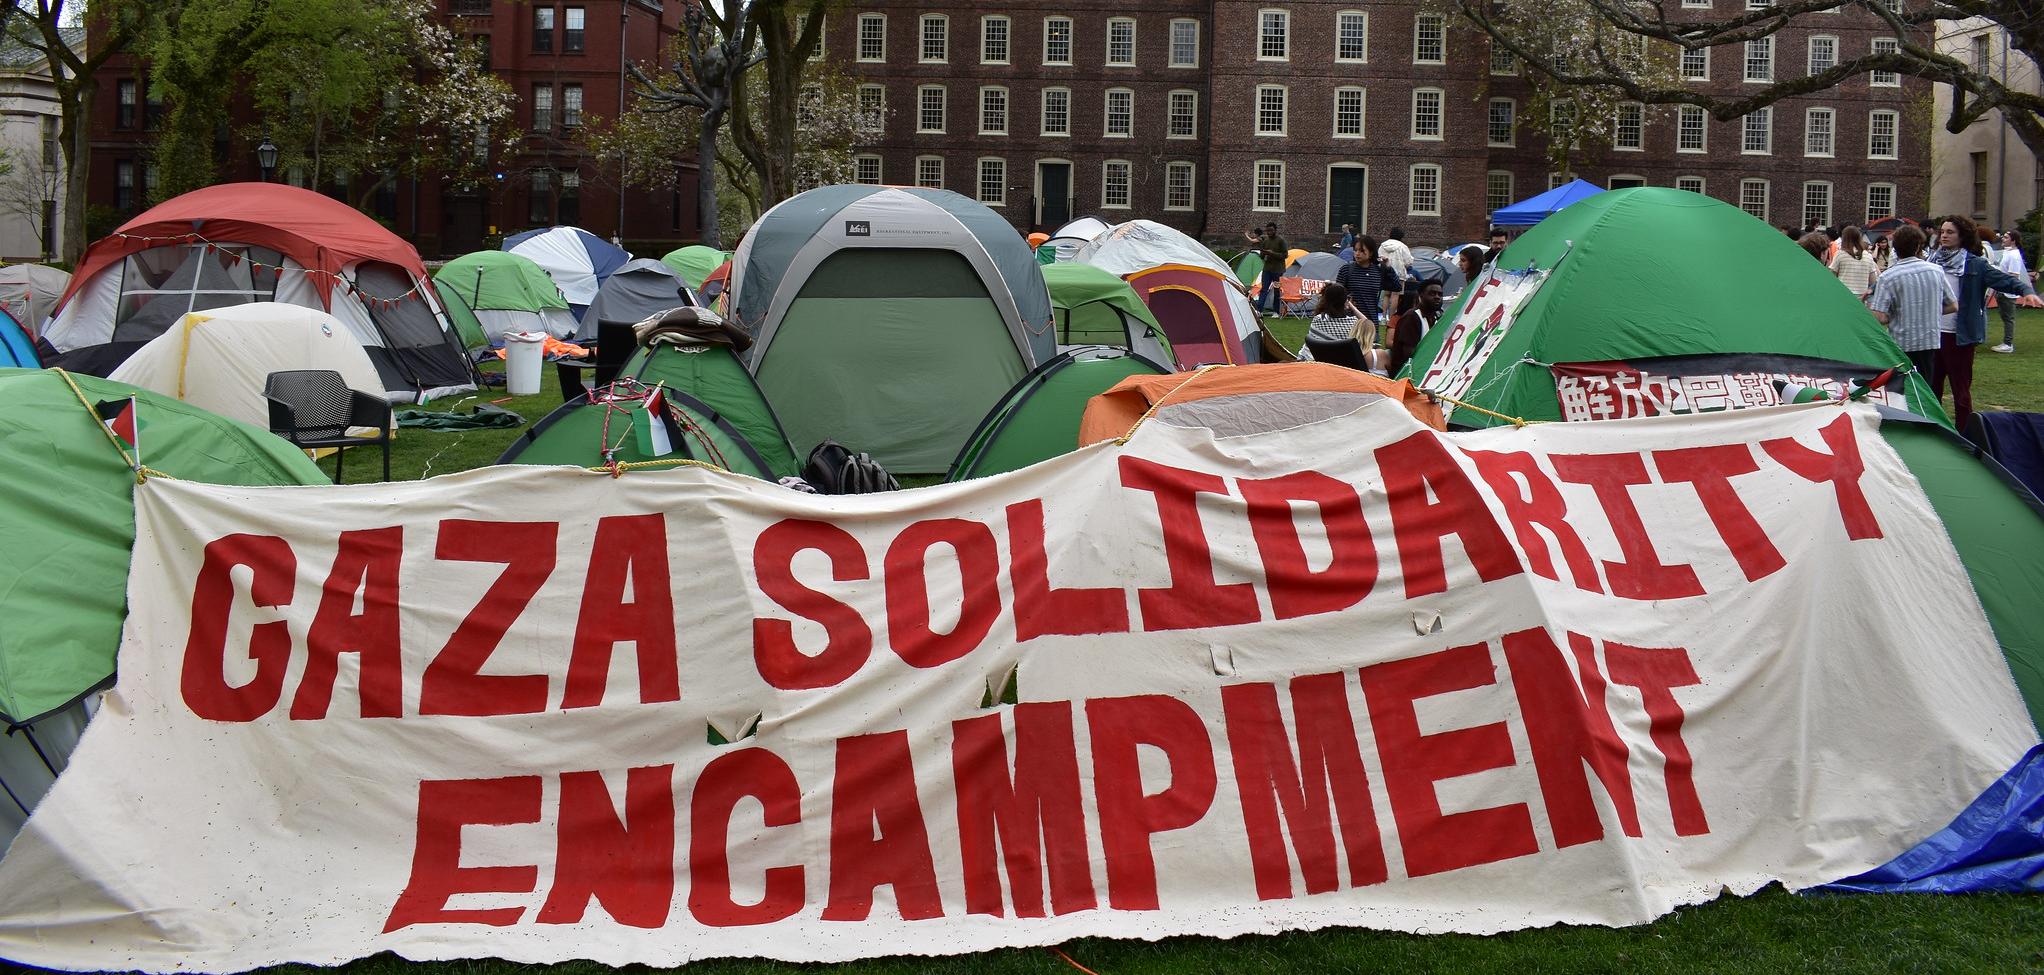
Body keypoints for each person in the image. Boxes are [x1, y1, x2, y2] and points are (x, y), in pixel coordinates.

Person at [1927, 215, 2040, 430]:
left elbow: (2005, 280)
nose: (1944, 236)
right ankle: (1936, 431)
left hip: (1959, 335)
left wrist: (2026, 291)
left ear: (1963, 235)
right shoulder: (1931, 261)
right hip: (1932, 334)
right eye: (1942, 232)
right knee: (1932, 389)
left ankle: (1964, 433)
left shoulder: (1976, 264)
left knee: (1961, 391)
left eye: (1950, 232)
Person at [1867, 224, 1954, 380]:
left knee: (1905, 390)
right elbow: (1953, 305)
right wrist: (1929, 311)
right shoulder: (1936, 271)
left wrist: (1898, 314)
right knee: (1926, 386)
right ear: (1918, 246)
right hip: (1929, 340)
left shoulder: (1888, 277)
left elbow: (1879, 316)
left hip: (1902, 342)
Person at [1298, 281, 1389, 373]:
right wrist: (1352, 307)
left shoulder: (1318, 319)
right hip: (1342, 371)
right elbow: (1368, 324)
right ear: (1345, 301)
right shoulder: (1353, 323)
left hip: (1315, 366)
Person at [1333, 234, 1401, 337]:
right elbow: (1336, 295)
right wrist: (1346, 304)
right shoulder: (1346, 269)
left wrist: (1389, 268)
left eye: (1361, 251)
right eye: (1355, 250)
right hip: (1349, 322)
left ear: (1371, 253)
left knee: (1370, 351)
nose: (1357, 254)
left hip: (1371, 323)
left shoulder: (1378, 271)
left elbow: (1397, 287)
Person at [1386, 280, 1445, 378]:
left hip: (1426, 372)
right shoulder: (1412, 317)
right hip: (1407, 376)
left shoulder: (1436, 318)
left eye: (1440, 294)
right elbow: (1409, 355)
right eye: (1432, 293)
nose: (1437, 297)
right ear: (1421, 296)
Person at [1992, 229, 2030, 352]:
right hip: (2001, 290)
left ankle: (2008, 344)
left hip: (2007, 292)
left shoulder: (2014, 255)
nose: (2003, 239)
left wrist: (2003, 286)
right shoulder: (2007, 253)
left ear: (2013, 241)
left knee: (2009, 319)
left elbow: (2013, 275)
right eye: (2003, 237)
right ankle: (2006, 342)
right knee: (2005, 317)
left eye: (2006, 237)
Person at [1246, 223, 1288, 315]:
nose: (1269, 232)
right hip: (1267, 269)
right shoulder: (1265, 241)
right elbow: (1261, 256)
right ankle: (1259, 310)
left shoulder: (1281, 241)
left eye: (1271, 230)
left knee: (1277, 290)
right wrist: (1264, 253)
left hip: (1278, 271)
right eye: (1268, 231)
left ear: (1275, 230)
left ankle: (1276, 311)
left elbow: (1285, 255)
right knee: (1264, 289)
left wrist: (1272, 253)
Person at [1830, 226, 1879, 300]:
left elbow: (1832, 277)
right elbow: (1873, 281)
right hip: (1861, 297)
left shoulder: (1840, 254)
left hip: (1843, 295)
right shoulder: (1868, 256)